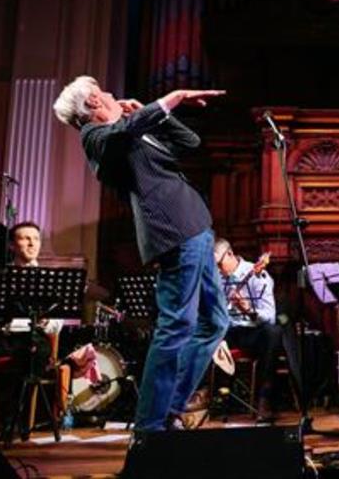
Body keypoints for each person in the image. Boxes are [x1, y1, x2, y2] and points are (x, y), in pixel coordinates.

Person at [53, 76, 230, 436]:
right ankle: (150, 429)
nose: (114, 95)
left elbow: (190, 142)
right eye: (105, 93)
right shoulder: (95, 137)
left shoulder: (132, 130)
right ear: (93, 106)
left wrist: (161, 117)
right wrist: (169, 100)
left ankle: (171, 410)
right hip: (175, 231)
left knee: (214, 322)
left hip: (196, 227)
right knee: (176, 327)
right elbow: (120, 135)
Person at [0, 221, 57, 430]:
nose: (32, 243)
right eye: (25, 238)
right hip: (0, 336)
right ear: (11, 246)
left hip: (33, 337)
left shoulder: (50, 278)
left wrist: (48, 323)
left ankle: (16, 419)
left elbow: (57, 323)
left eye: (35, 238)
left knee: (32, 354)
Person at [214, 238, 282, 422]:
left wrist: (249, 311)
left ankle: (265, 399)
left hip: (253, 332)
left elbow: (270, 316)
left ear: (230, 254)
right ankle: (202, 398)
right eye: (215, 267)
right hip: (228, 331)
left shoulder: (258, 275)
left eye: (220, 265)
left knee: (273, 333)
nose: (219, 271)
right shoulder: (218, 278)